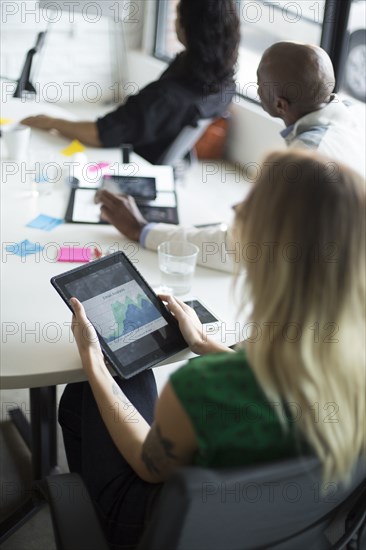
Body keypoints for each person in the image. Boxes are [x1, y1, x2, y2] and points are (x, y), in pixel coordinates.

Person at [59, 150, 366, 549]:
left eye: (250, 203)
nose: (237, 205)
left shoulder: (203, 387)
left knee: (109, 377)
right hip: (287, 528)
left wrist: (94, 363)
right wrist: (206, 344)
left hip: (162, 528)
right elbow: (282, 393)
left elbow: (148, 467)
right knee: (84, 401)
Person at [94, 41, 365, 273]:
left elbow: (239, 249)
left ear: (281, 104)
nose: (256, 89)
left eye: (260, 84)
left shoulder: (305, 161)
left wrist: (143, 230)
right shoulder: (353, 119)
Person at [20, 0, 240, 165]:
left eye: (178, 16)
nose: (174, 22)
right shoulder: (226, 82)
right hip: (154, 144)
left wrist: (51, 122)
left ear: (189, 29)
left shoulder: (166, 97)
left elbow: (100, 134)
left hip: (132, 161)